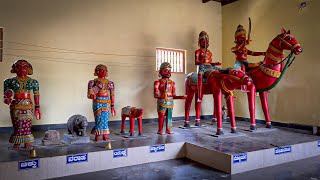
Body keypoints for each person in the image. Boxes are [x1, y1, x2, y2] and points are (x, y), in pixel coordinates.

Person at [3, 60, 41, 150]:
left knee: (27, 124)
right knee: (17, 124)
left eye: (25, 67)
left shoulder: (34, 82)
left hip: (28, 105)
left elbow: (36, 95)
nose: (22, 69)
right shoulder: (9, 82)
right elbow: (6, 96)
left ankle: (27, 142)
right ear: (14, 68)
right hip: (16, 104)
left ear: (29, 68)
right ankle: (17, 143)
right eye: (19, 67)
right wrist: (7, 98)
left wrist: (37, 108)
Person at [154, 62, 186, 134]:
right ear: (160, 72)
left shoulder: (172, 83)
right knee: (161, 116)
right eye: (166, 70)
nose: (168, 72)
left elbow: (173, 95)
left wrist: (180, 97)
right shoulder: (157, 82)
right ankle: (160, 130)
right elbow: (155, 94)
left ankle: (168, 129)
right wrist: (161, 96)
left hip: (170, 102)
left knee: (169, 117)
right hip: (162, 102)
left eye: (169, 70)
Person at [87, 64, 116, 141]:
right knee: (98, 118)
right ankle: (98, 134)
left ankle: (105, 134)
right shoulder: (92, 82)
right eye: (101, 70)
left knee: (105, 118)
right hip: (97, 102)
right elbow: (89, 95)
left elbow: (112, 95)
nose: (104, 72)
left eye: (105, 70)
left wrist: (112, 106)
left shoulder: (110, 83)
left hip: (107, 102)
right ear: (97, 72)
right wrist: (93, 95)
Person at [195, 31, 221, 102]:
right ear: (199, 42)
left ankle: (227, 91)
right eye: (203, 41)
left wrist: (215, 63)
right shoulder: (198, 52)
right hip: (202, 66)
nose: (205, 43)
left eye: (206, 41)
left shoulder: (209, 52)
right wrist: (202, 61)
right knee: (200, 74)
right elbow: (196, 62)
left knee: (221, 71)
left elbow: (210, 62)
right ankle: (199, 95)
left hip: (209, 67)